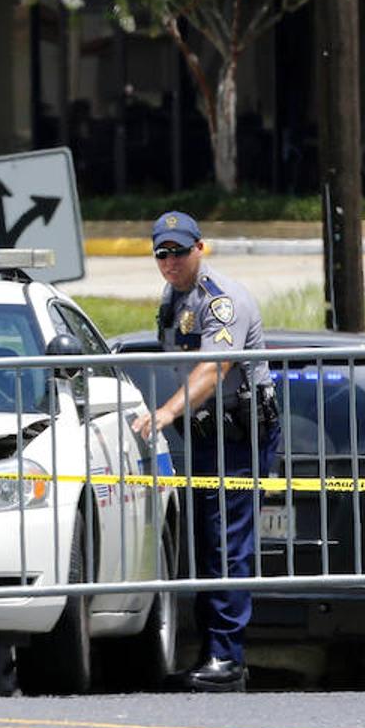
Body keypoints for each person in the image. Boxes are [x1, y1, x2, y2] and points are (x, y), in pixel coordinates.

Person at [131, 211, 280, 693]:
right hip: (206, 435)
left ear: (200, 248)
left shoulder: (221, 301)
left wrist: (166, 413)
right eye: (162, 253)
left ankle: (227, 657)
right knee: (205, 542)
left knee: (227, 544)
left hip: (239, 437)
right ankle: (210, 651)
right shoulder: (173, 297)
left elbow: (213, 369)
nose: (170, 261)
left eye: (179, 251)